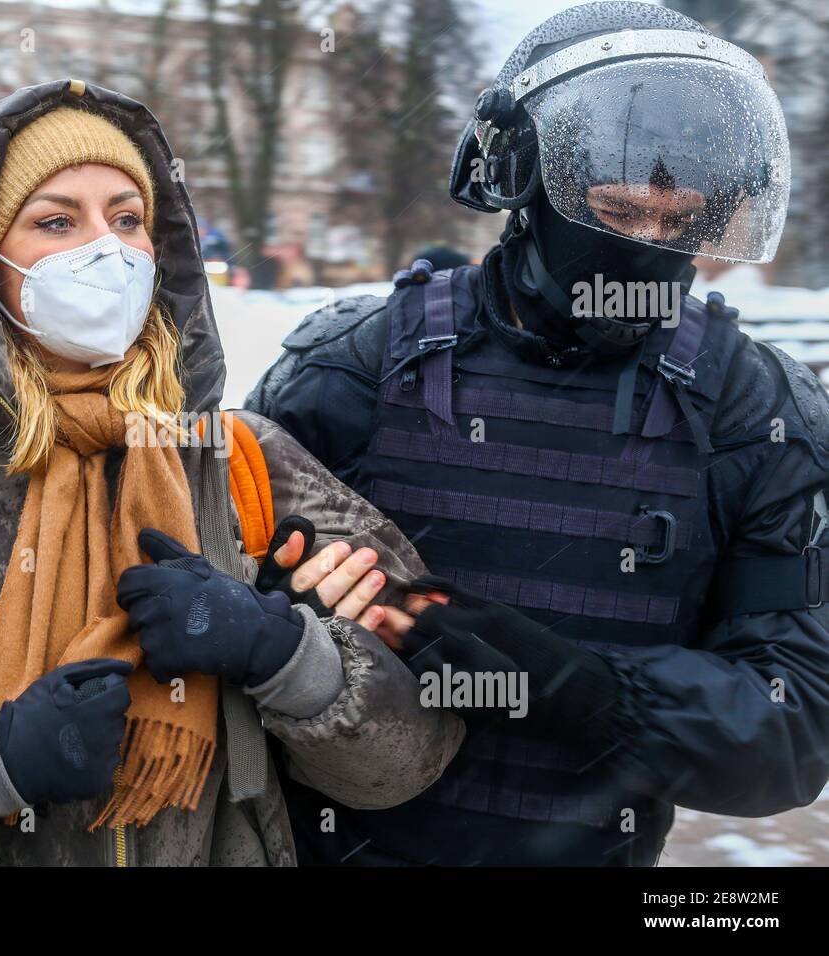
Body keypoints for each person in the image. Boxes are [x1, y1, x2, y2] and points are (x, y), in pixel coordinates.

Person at [0, 82, 464, 866]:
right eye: (56, 221)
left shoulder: (247, 463)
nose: (105, 248)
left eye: (128, 218)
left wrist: (283, 654)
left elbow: (415, 755)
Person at [246, 0, 829, 866]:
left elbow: (793, 733)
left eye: (682, 225)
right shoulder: (356, 366)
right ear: (525, 179)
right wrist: (291, 617)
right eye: (619, 210)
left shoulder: (754, 411)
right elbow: (213, 612)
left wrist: (584, 692)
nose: (649, 249)